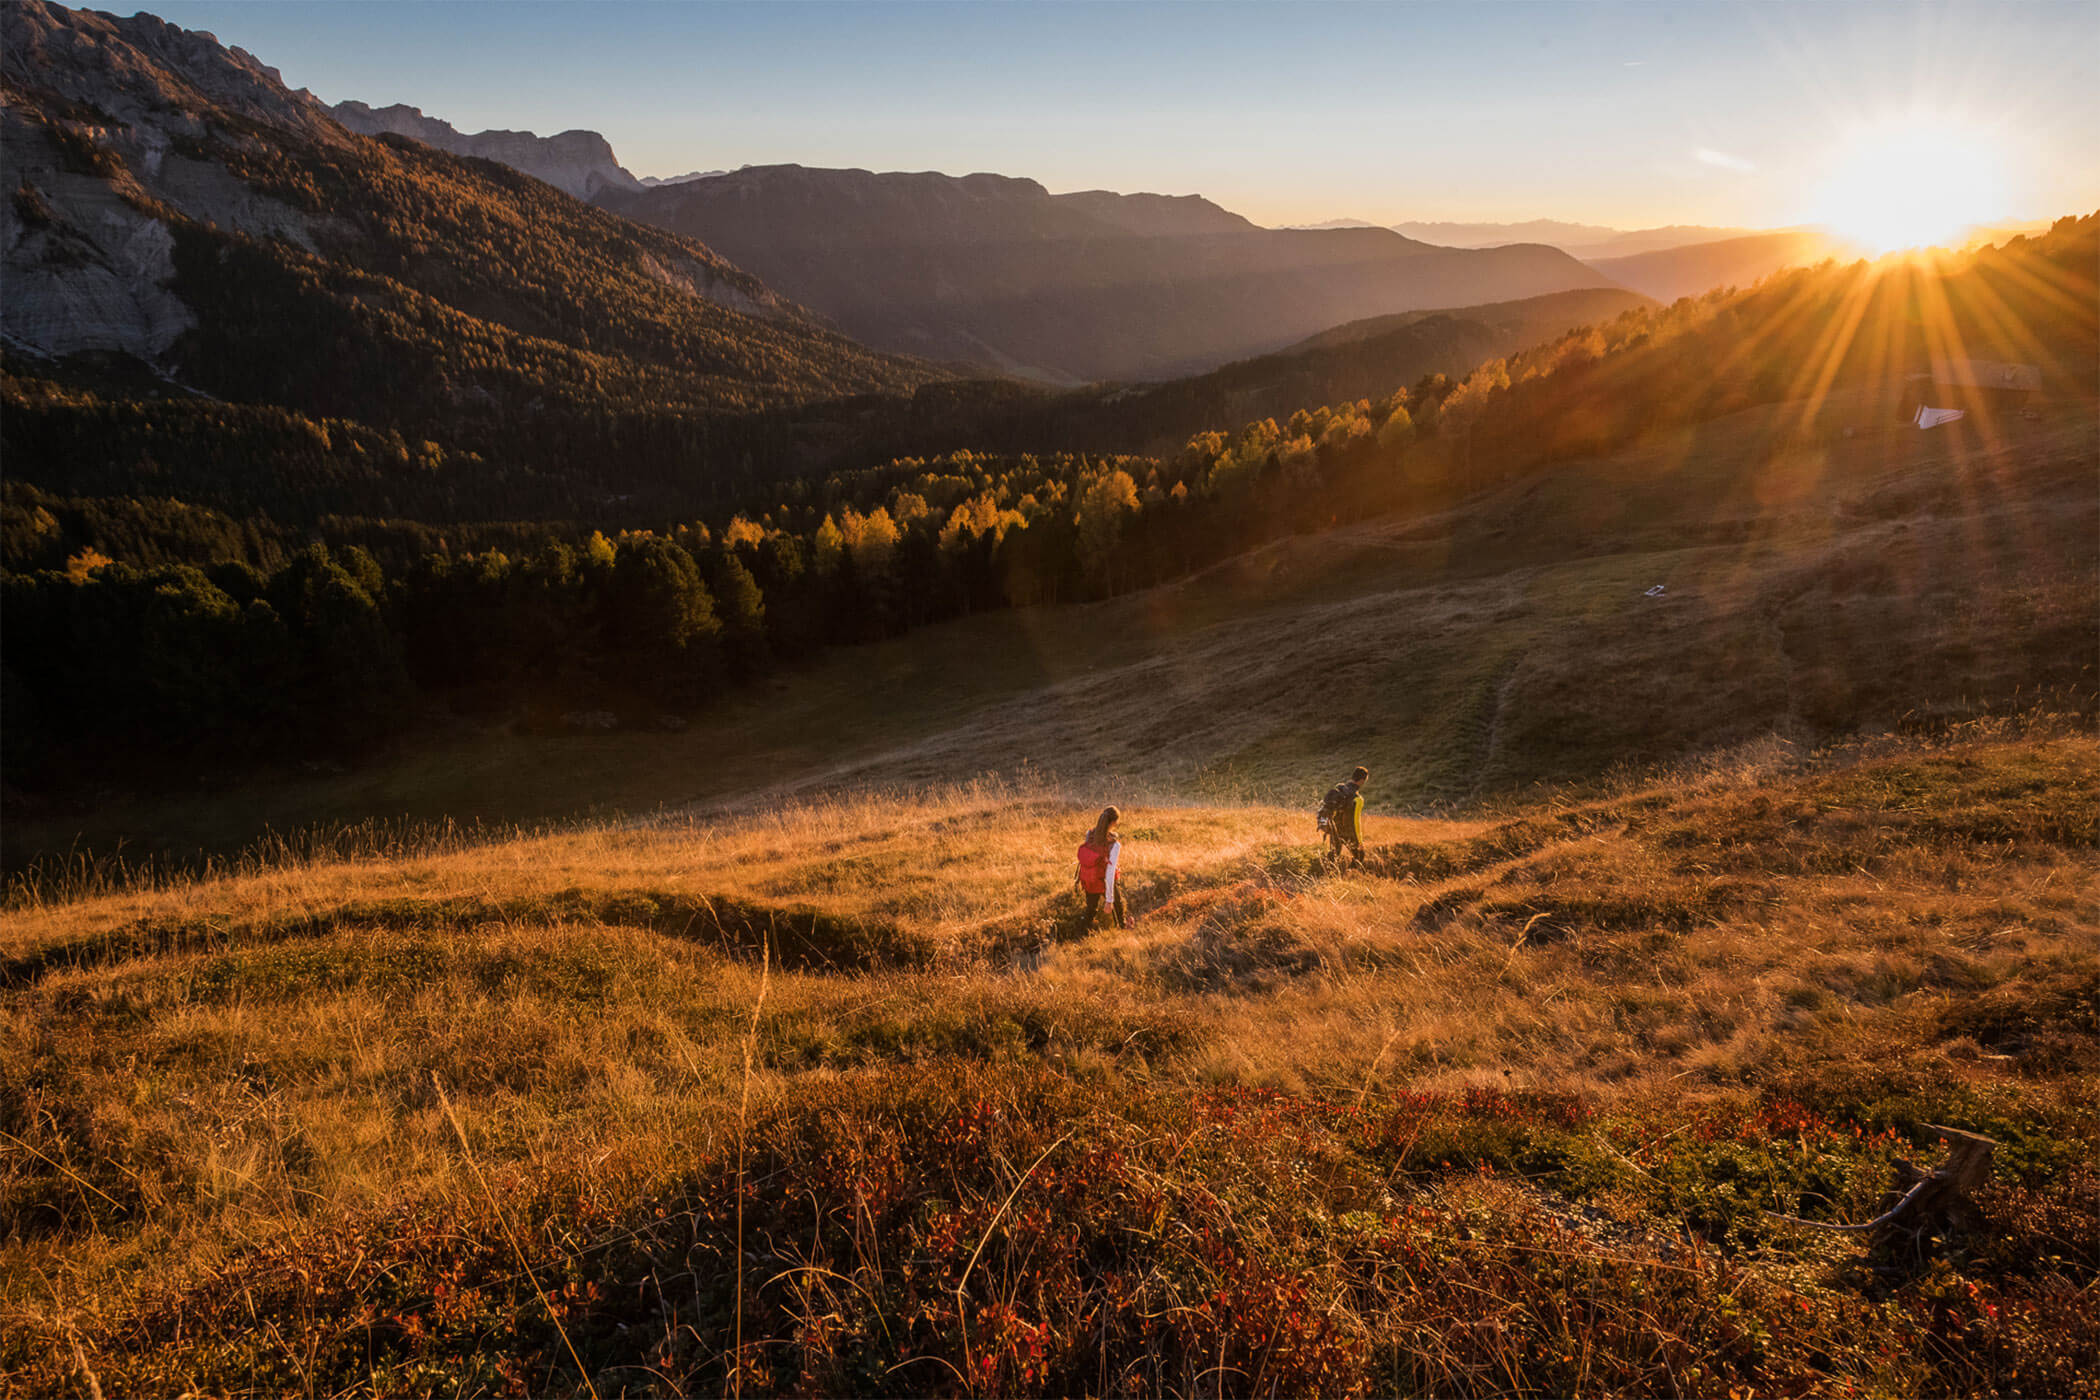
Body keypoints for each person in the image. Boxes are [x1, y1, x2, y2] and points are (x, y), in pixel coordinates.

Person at [1075, 805, 1126, 930]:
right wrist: (1109, 900)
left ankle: (1081, 933)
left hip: (1089, 879)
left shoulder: (1089, 834)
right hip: (1102, 880)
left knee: (1090, 909)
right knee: (1118, 906)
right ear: (1114, 823)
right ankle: (1122, 927)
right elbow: (1109, 873)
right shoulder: (1114, 845)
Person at [1318, 766, 1368, 867]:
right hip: (1348, 833)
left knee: (1333, 856)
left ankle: (1325, 872)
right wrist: (1359, 841)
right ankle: (1350, 873)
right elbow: (1355, 823)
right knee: (1360, 856)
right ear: (1362, 780)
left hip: (1334, 830)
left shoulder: (1340, 789)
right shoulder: (1357, 799)